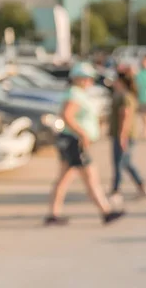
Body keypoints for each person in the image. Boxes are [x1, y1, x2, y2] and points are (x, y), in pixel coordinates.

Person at [45, 62, 125, 226]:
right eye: (87, 79)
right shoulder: (74, 94)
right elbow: (67, 116)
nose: (90, 82)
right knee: (90, 177)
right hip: (75, 141)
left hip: (71, 140)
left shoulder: (76, 93)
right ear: (79, 79)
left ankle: (54, 213)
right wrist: (83, 133)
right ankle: (105, 211)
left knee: (65, 178)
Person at [109, 71, 146, 205]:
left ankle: (116, 191)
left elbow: (125, 117)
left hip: (124, 135)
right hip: (122, 134)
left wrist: (122, 136)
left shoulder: (125, 97)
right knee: (126, 163)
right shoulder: (123, 96)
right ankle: (142, 186)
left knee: (119, 163)